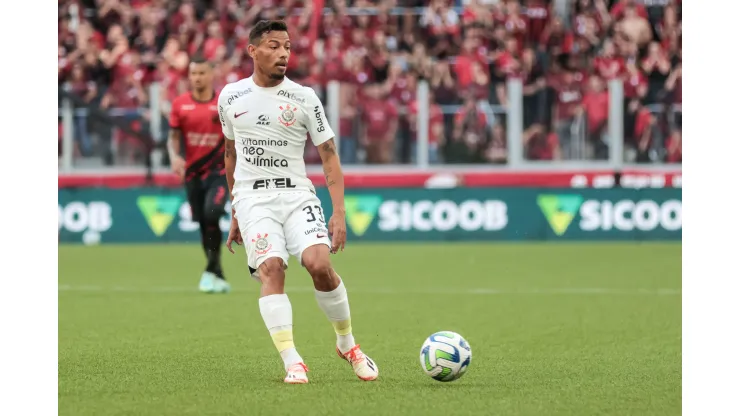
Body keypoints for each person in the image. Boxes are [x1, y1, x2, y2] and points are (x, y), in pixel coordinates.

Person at [218, 20, 379, 384]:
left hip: (296, 193)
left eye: (287, 47)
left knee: (318, 263)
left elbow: (329, 154)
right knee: (271, 268)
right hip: (253, 198)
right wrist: (235, 210)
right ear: (252, 51)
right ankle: (293, 360)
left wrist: (338, 212)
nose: (283, 54)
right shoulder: (230, 97)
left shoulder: (304, 97)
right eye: (274, 46)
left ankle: (347, 344)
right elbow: (230, 154)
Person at [168, 55, 230, 294]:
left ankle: (209, 271)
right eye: (193, 74)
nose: (197, 78)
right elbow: (173, 137)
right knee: (204, 224)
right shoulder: (180, 105)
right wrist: (174, 156)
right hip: (192, 174)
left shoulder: (223, 104)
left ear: (211, 75)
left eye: (202, 73)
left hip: (219, 171)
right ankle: (217, 272)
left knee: (212, 213)